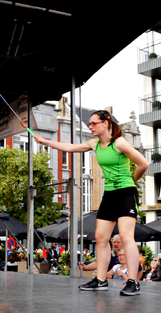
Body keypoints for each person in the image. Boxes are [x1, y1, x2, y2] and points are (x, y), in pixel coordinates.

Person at [36, 110, 149, 296]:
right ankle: (101, 279)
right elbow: (70, 147)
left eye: (93, 123)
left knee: (126, 236)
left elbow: (143, 164)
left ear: (106, 123)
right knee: (101, 237)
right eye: (89, 124)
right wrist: (45, 141)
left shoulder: (118, 142)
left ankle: (133, 282)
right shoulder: (94, 144)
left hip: (126, 192)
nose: (90, 127)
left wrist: (131, 182)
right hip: (110, 194)